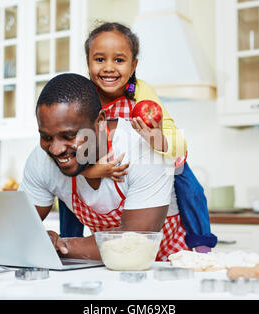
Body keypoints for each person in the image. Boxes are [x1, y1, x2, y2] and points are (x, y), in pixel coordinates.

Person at [58, 22, 217, 252]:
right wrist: (91, 171)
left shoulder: (140, 92)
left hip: (152, 159)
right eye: (100, 59)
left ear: (133, 66)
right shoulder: (83, 99)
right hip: (106, 167)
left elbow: (178, 142)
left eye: (119, 60)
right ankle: (67, 244)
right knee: (68, 191)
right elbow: (70, 150)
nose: (109, 68)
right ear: (88, 62)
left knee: (190, 184)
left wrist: (158, 139)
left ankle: (201, 241)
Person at [19, 73, 188, 261]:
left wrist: (59, 246)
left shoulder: (142, 148)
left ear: (100, 121)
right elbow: (15, 228)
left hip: (164, 267)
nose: (56, 149)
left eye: (69, 136)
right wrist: (41, 240)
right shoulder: (42, 159)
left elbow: (136, 242)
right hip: (106, 265)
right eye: (46, 137)